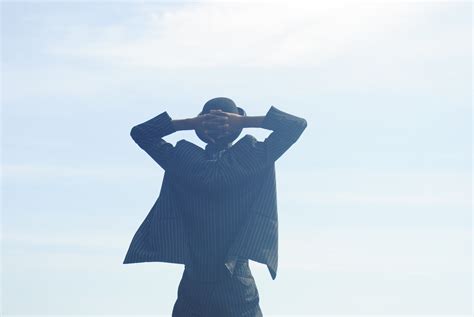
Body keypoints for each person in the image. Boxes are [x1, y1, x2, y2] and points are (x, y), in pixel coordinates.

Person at [123, 97, 307, 316]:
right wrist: (243, 121)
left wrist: (191, 123)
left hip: (194, 285)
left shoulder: (182, 160)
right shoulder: (253, 156)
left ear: (202, 130)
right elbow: (296, 125)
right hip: (238, 285)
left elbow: (141, 133)